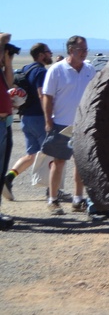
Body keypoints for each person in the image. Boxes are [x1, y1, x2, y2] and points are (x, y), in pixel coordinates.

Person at [41, 36, 96, 215]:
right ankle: (53, 199)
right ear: (71, 50)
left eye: (86, 49)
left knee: (81, 163)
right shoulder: (57, 70)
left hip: (83, 125)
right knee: (59, 162)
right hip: (61, 123)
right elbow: (47, 96)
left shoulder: (89, 69)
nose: (84, 53)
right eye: (81, 49)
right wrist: (48, 120)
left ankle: (78, 199)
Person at [3, 43, 54, 200]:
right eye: (48, 52)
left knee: (32, 155)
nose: (50, 54)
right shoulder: (40, 72)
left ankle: (8, 178)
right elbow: (42, 95)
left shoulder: (26, 69)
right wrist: (49, 118)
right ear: (40, 55)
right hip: (39, 117)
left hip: (26, 118)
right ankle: (52, 191)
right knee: (51, 154)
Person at [0, 33, 13, 229]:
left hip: (5, 122)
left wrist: (8, 64)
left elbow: (9, 84)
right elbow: (5, 35)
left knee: (1, 169)